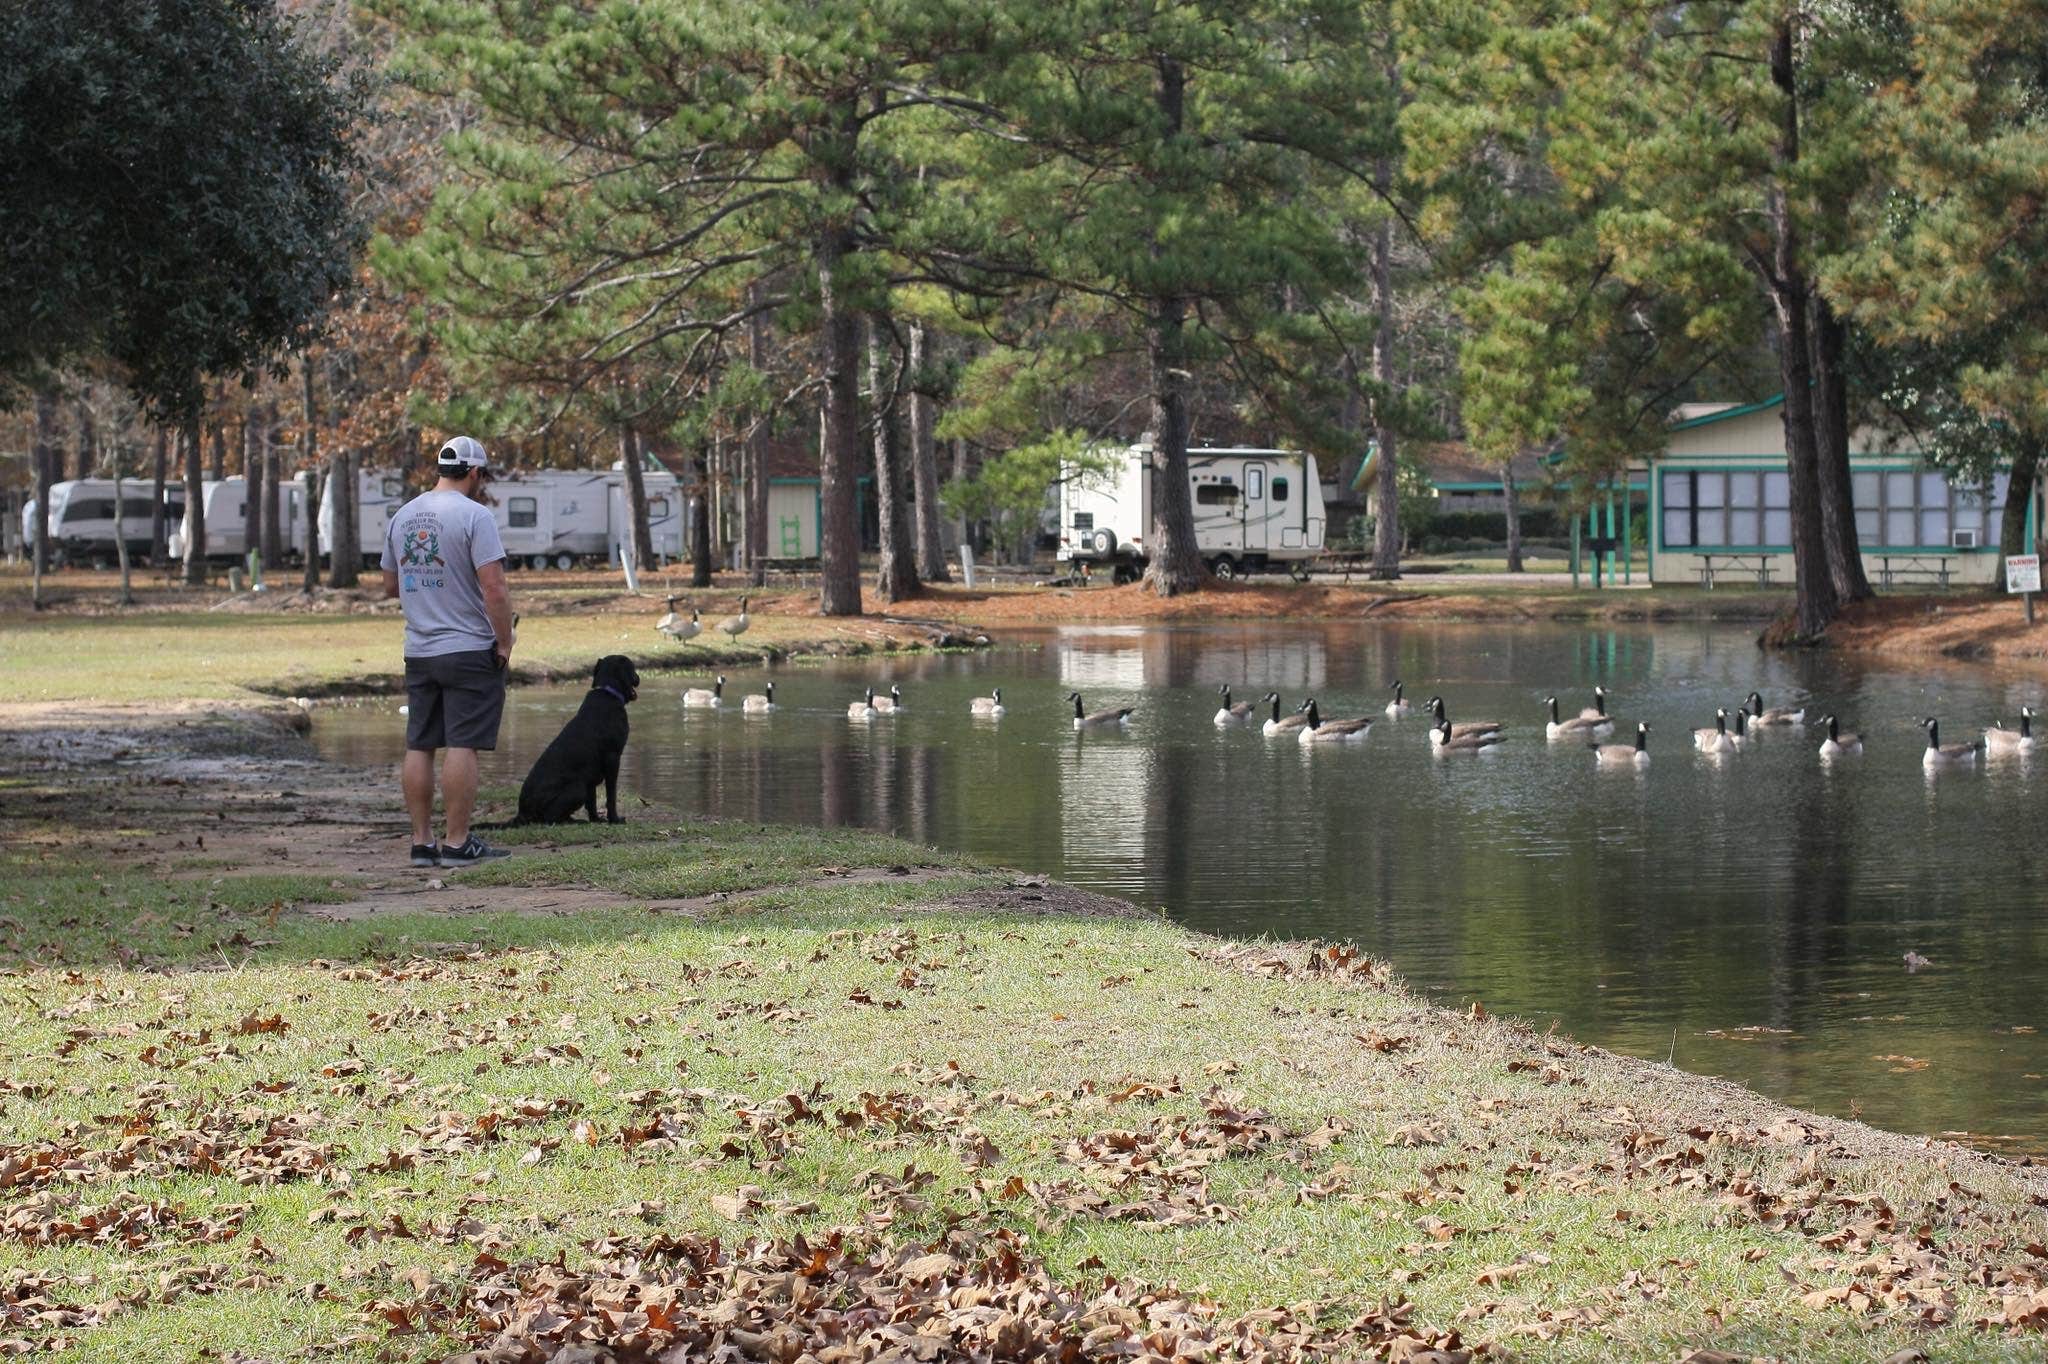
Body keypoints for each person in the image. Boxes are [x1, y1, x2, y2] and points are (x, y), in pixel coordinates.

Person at [381, 436, 515, 867]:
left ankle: (422, 842)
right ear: (474, 473)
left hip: (420, 649)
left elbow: (390, 585)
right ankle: (457, 843)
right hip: (469, 648)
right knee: (463, 743)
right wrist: (505, 640)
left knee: (420, 744)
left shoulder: (404, 515)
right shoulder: (476, 516)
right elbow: (494, 588)